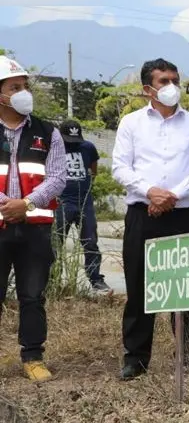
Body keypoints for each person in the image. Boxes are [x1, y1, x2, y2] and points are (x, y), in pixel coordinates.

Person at [112, 58, 189, 380]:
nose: (171, 87)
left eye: (175, 79)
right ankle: (136, 358)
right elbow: (120, 168)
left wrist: (170, 196)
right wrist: (151, 192)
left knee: (187, 289)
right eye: (163, 81)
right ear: (147, 89)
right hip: (143, 215)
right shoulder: (131, 123)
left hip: (183, 215)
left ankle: (188, 353)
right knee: (140, 288)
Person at [0, 55, 67, 382]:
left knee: (32, 295)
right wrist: (5, 205)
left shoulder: (47, 132)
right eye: (15, 87)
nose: (24, 92)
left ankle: (33, 356)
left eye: (25, 86)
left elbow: (57, 177)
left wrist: (25, 203)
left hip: (34, 228)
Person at [55, 120, 111, 294]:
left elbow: (93, 171)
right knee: (55, 242)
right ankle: (52, 279)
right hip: (61, 202)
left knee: (90, 242)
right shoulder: (53, 147)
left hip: (84, 202)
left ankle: (96, 279)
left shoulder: (88, 147)